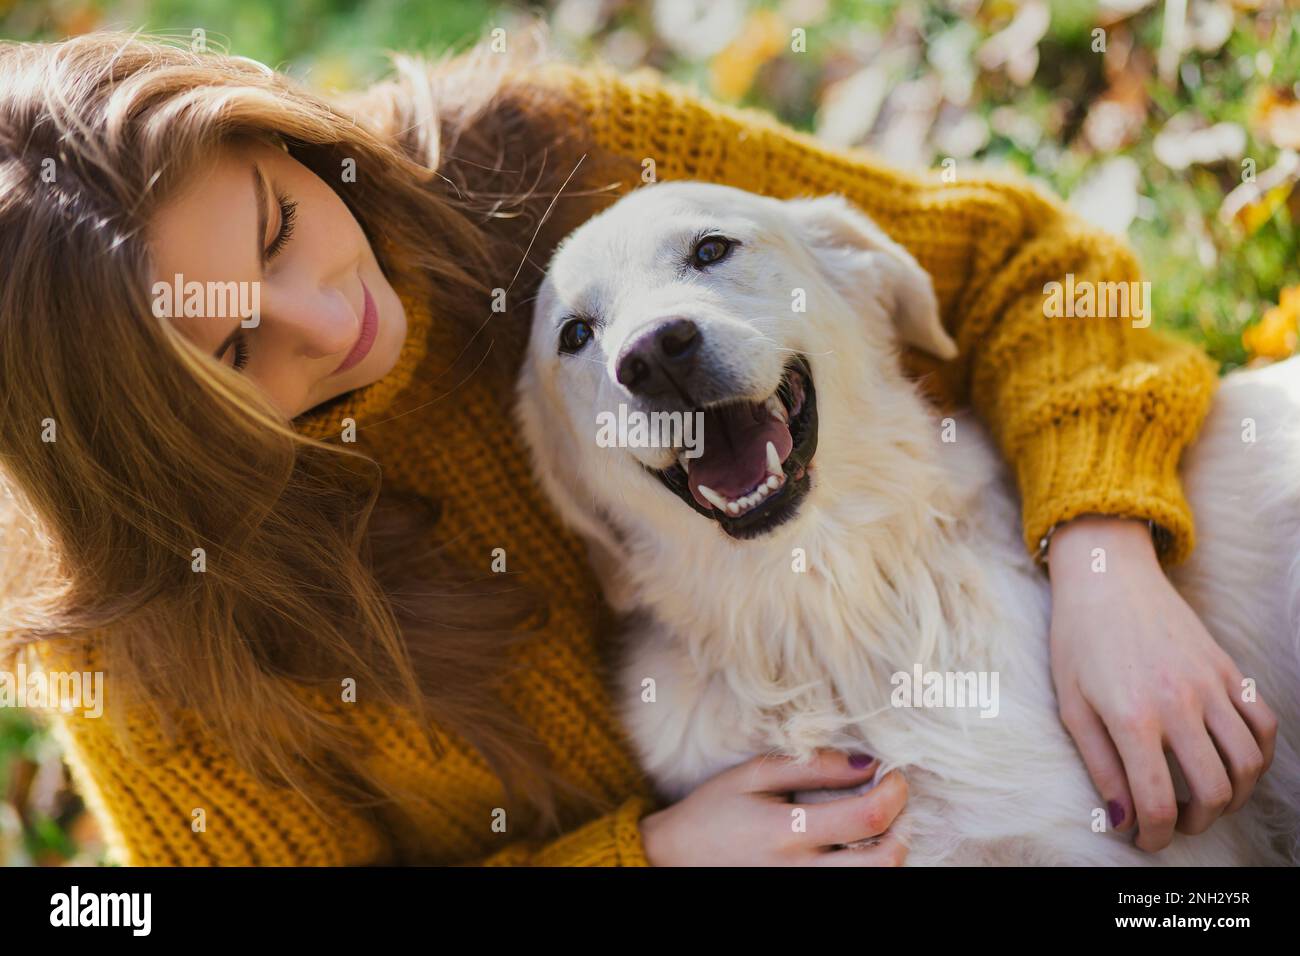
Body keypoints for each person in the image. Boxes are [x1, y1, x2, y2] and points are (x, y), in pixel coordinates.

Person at [0, 29, 1275, 865]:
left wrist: (1105, 556)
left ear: (279, 134)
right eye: (230, 357)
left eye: (280, 228)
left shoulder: (545, 153)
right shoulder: (143, 646)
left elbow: (1022, 266)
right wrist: (643, 861)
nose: (332, 322)